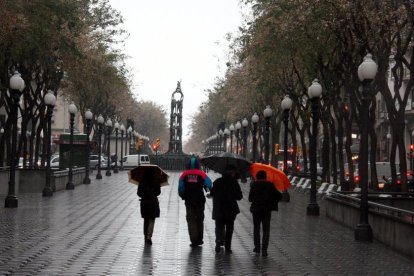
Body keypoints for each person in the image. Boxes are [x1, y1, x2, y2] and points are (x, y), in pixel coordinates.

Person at [178, 157, 212, 247]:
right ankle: (200, 239)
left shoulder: (184, 175)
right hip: (200, 200)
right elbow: (209, 184)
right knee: (200, 219)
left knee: (191, 219)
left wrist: (183, 196)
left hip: (189, 200)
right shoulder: (201, 174)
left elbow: (180, 188)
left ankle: (194, 240)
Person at [249, 170, 282, 257]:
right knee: (266, 230)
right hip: (267, 210)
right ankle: (264, 250)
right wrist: (272, 201)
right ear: (265, 176)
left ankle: (257, 247)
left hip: (256, 210)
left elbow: (250, 198)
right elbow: (279, 196)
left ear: (257, 176)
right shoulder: (270, 185)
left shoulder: (254, 185)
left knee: (256, 229)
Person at [210, 165, 242, 254]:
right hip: (230, 209)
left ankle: (218, 241)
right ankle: (228, 248)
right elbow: (239, 196)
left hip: (219, 208)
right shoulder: (234, 182)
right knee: (229, 229)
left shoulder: (217, 181)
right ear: (231, 172)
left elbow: (212, 193)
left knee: (219, 227)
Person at [137, 169, 161, 245]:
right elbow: (158, 192)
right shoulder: (156, 181)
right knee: (151, 219)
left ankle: (145, 236)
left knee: (146, 219)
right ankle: (149, 236)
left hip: (144, 202)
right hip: (153, 202)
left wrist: (144, 195)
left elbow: (139, 193)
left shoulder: (142, 181)